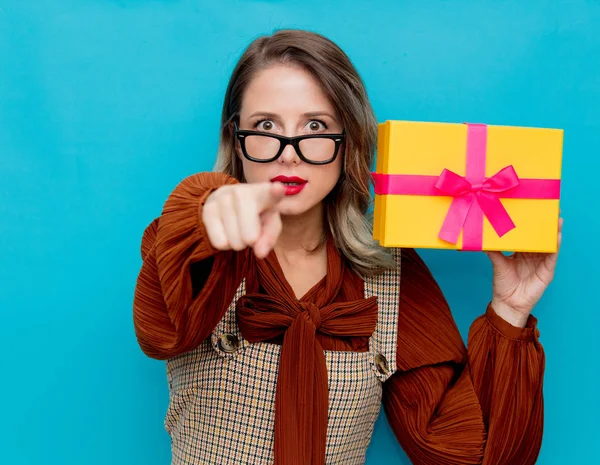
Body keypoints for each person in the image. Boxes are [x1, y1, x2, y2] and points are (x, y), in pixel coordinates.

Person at [133, 29, 562, 465]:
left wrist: (510, 310)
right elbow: (158, 330)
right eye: (266, 126)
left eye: (315, 126)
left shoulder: (391, 276)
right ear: (236, 140)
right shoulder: (194, 248)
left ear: (348, 143)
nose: (289, 153)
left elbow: (468, 455)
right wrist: (207, 211)